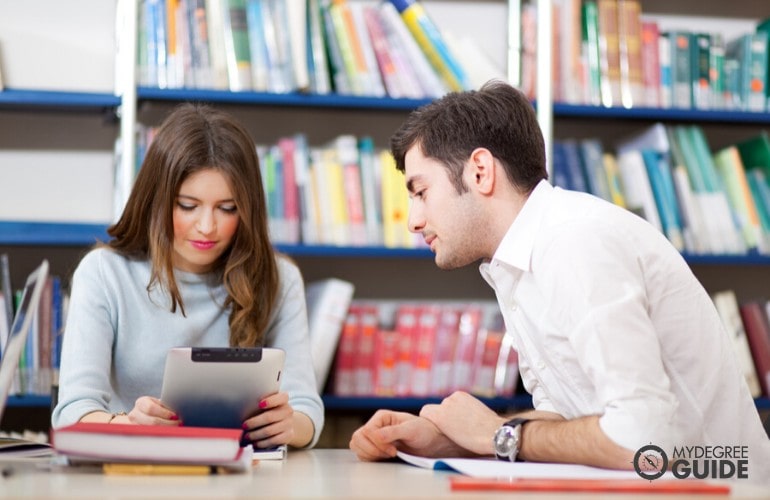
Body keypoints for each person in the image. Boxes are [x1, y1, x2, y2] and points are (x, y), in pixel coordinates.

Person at [349, 80, 770, 482]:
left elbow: (646, 441)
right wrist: (452, 441)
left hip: (722, 488)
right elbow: (569, 421)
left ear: (480, 171)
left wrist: (496, 435)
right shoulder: (515, 264)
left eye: (420, 192)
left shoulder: (575, 242)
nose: (413, 221)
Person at [52, 103, 324, 450]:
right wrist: (128, 424)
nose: (207, 227)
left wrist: (291, 426)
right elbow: (72, 412)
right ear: (157, 201)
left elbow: (307, 410)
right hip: (131, 473)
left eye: (227, 208)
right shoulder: (104, 274)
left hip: (241, 479)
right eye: (187, 205)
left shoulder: (279, 279)